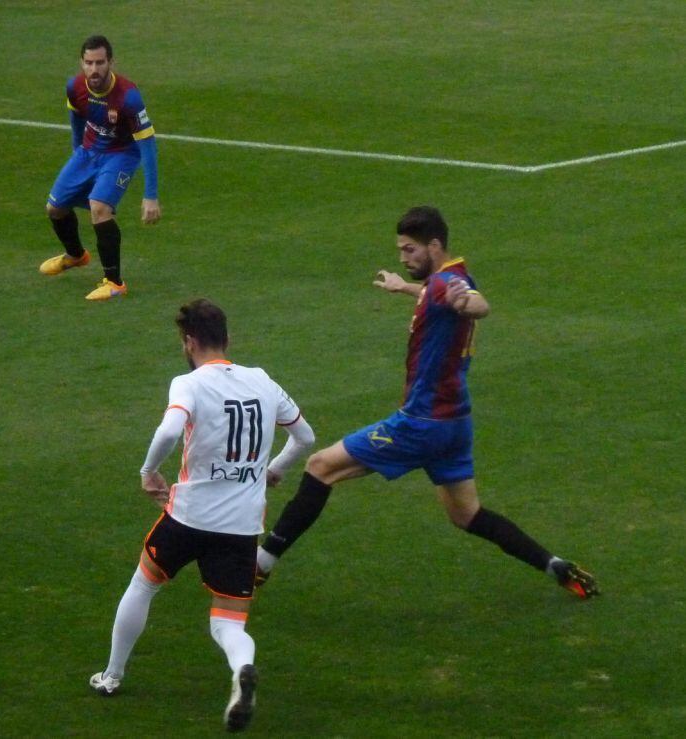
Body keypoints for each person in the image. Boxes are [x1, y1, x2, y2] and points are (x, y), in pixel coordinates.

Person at [256, 205, 599, 599]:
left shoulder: (451, 289)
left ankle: (260, 565)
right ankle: (556, 566)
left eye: (409, 250)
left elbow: (477, 304)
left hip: (421, 423)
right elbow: (441, 293)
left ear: (433, 245)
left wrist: (471, 305)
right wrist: (404, 287)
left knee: (320, 467)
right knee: (466, 514)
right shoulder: (447, 279)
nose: (403, 257)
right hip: (455, 424)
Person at [89, 299, 315, 732]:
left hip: (189, 518)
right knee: (228, 622)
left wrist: (148, 471)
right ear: (227, 339)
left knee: (144, 583)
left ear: (188, 342)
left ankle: (112, 676)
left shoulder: (189, 383)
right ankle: (241, 671)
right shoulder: (263, 381)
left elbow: (171, 429)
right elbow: (305, 436)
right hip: (242, 526)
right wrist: (273, 470)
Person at [40, 35, 161, 300]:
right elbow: (75, 118)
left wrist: (150, 195)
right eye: (89, 63)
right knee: (55, 208)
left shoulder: (128, 97)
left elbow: (148, 144)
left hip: (121, 155)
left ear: (111, 62)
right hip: (88, 152)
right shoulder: (75, 87)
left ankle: (115, 282)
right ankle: (76, 255)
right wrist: (77, 154)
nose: (94, 69)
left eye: (100, 63)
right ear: (81, 63)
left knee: (99, 207)